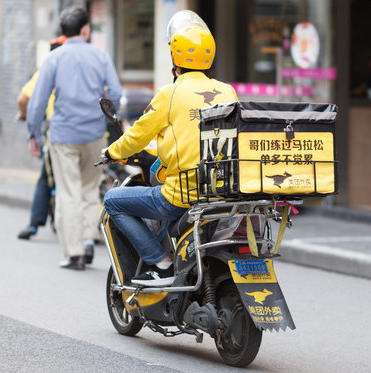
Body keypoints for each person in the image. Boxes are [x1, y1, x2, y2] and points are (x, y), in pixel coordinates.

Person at [101, 11, 238, 287]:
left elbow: (137, 136)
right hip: (221, 188)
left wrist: (111, 153)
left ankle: (160, 263)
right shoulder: (227, 91)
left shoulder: (169, 93)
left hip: (181, 194)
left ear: (175, 58)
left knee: (113, 200)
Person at [27, 6, 122, 270]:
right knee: (91, 189)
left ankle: (74, 253)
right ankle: (89, 240)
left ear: (62, 32)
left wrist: (33, 132)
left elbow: (37, 102)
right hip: (94, 134)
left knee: (68, 192)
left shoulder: (54, 59)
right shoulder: (100, 56)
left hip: (63, 136)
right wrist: (107, 119)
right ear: (85, 30)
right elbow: (114, 92)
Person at [17, 35, 66, 240]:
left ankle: (35, 224)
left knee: (46, 178)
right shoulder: (82, 68)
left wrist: (27, 119)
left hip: (56, 133)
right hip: (88, 133)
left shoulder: (45, 70)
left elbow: (24, 99)